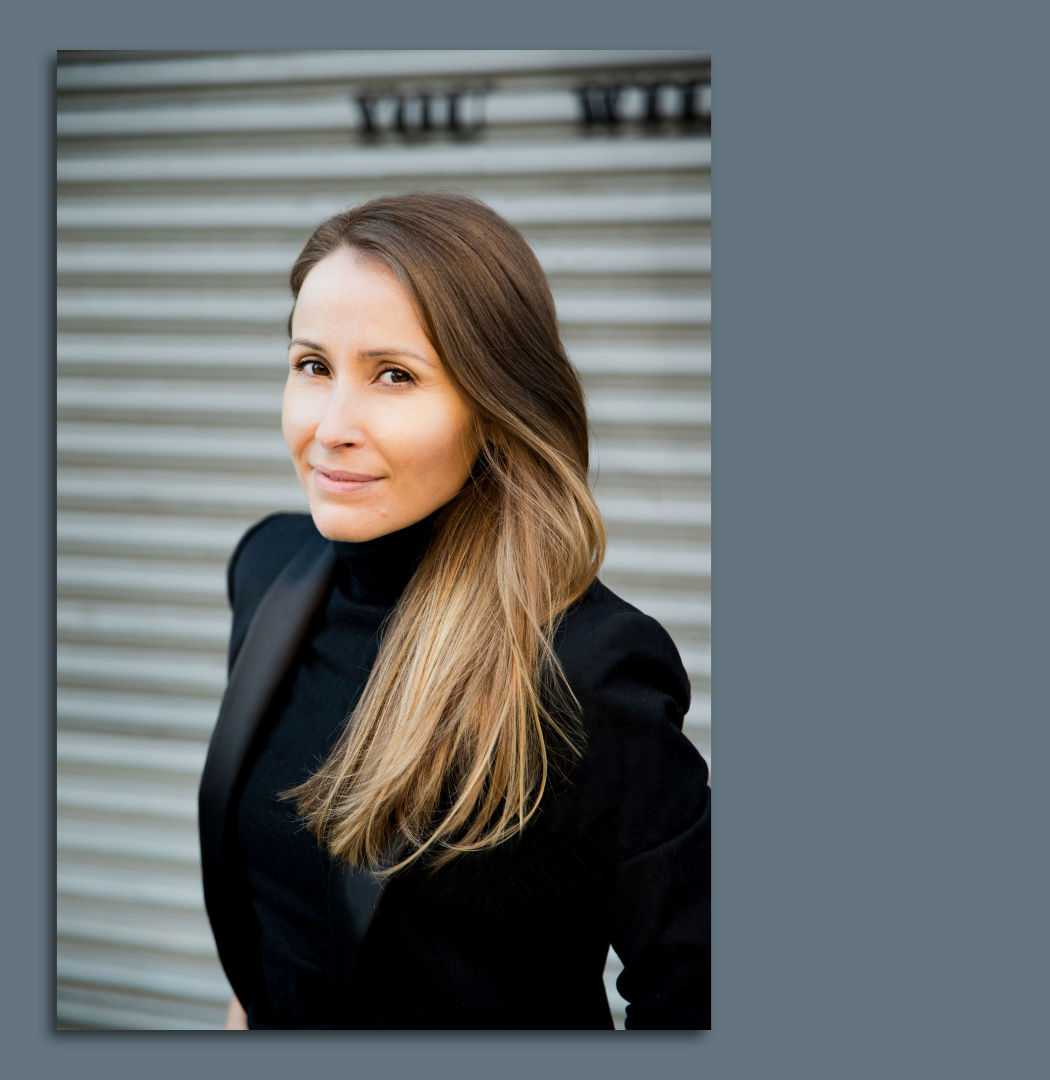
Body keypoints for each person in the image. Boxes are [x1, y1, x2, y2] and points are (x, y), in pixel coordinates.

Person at [197, 192, 709, 1030]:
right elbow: (283, 927)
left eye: (394, 375)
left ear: (494, 405)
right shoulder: (270, 573)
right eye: (312, 365)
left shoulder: (586, 667)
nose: (330, 428)